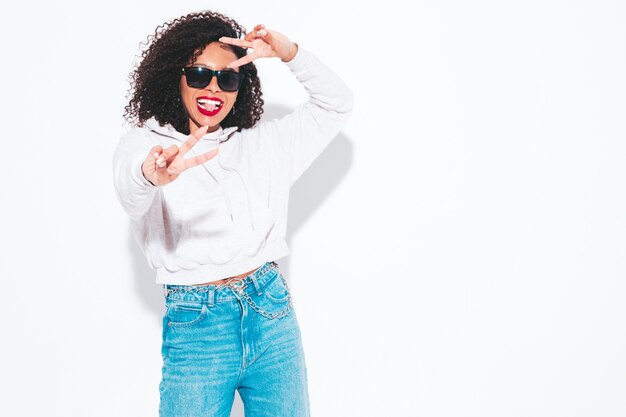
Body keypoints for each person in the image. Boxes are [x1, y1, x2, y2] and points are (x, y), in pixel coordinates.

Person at [112, 9, 353, 417]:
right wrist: (150, 174)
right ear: (176, 76)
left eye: (227, 78)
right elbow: (131, 190)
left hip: (270, 310)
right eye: (200, 74)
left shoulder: (264, 146)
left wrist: (290, 53)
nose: (213, 89)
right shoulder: (147, 145)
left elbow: (337, 104)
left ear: (241, 86)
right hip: (197, 326)